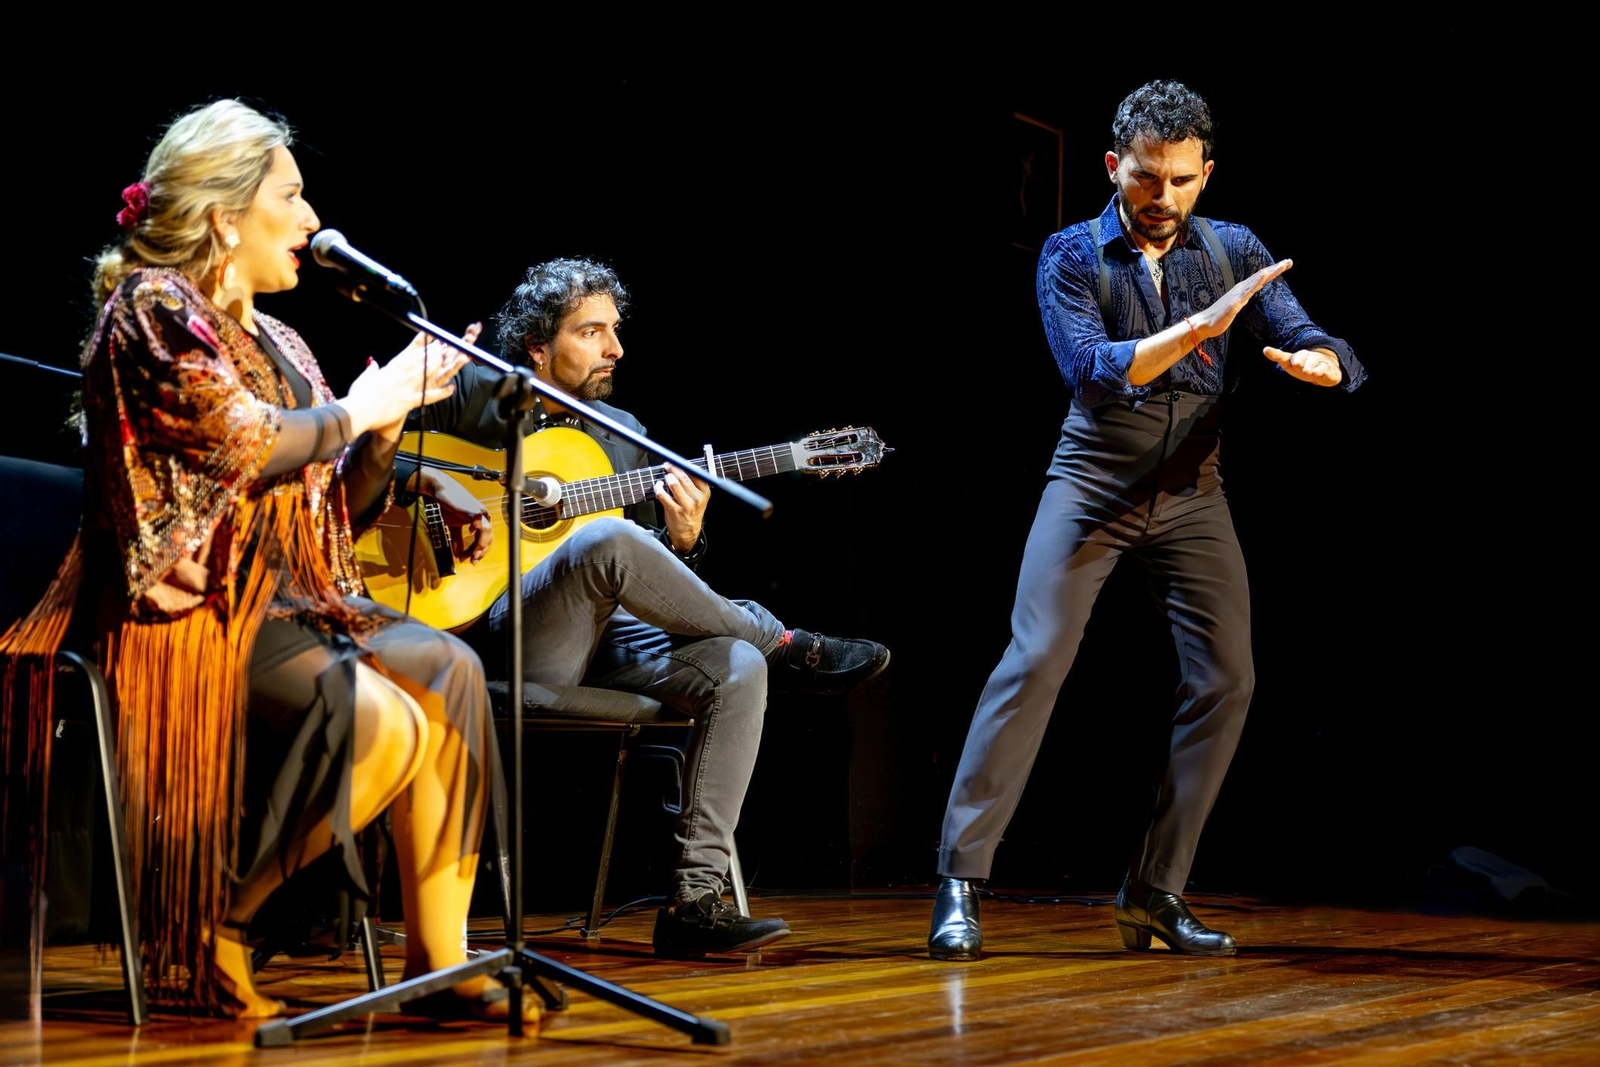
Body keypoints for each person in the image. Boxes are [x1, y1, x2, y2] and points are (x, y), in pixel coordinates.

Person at [0, 100, 534, 1025]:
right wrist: (361, 413)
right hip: (186, 610)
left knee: (452, 667)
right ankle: (220, 928)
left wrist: (389, 450)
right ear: (225, 216)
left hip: (289, 603)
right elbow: (246, 443)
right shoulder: (154, 306)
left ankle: (440, 964)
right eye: (292, 195)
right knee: (384, 725)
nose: (312, 219)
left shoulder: (283, 340)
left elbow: (330, 500)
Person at [928, 80, 1367, 961]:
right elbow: (1091, 370)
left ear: (1206, 172)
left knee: (1228, 678)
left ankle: (1154, 890)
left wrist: (1325, 361)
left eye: (1178, 180)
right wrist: (1200, 326)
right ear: (1113, 167)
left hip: (1193, 484)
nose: (1159, 199)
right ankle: (959, 880)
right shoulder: (1068, 253)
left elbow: (1304, 324)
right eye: (1142, 178)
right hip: (1093, 477)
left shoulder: (1235, 246)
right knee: (1037, 658)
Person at [396, 257, 890, 959]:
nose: (615, 349)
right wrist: (436, 485)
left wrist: (685, 543)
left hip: (603, 645)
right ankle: (786, 640)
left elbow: (638, 579)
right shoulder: (475, 393)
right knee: (611, 536)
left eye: (616, 332)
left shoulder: (625, 432)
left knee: (737, 665)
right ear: (539, 345)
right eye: (592, 332)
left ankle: (693, 902)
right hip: (502, 641)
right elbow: (364, 448)